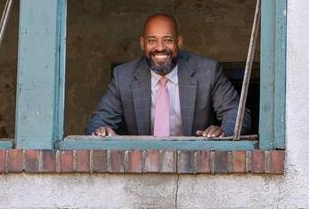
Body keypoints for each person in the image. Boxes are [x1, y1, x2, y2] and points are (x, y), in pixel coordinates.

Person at [86, 13, 250, 138]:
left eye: (167, 40)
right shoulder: (124, 76)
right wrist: (101, 130)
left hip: (195, 165)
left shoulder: (207, 71)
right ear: (142, 44)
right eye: (152, 41)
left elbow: (237, 113)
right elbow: (99, 120)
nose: (160, 48)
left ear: (179, 42)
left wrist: (223, 132)